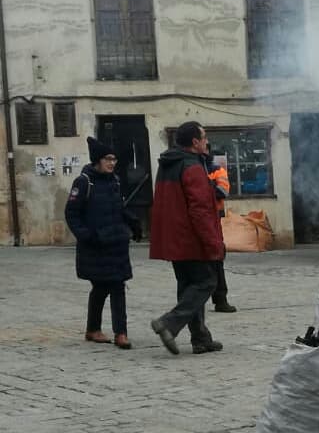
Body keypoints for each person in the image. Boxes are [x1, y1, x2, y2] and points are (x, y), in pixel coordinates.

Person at [149, 122, 225, 355]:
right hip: (190, 238)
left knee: (188, 287)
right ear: (194, 142)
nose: (206, 142)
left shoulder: (169, 163)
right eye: (204, 138)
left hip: (175, 237)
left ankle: (201, 338)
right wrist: (213, 243)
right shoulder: (191, 166)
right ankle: (169, 323)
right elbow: (200, 209)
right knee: (206, 282)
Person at [64, 137, 141, 349]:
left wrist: (132, 222)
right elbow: (72, 213)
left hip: (116, 243)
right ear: (98, 160)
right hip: (96, 245)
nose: (112, 162)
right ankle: (99, 330)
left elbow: (118, 207)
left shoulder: (114, 181)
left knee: (116, 286)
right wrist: (86, 235)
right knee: (102, 287)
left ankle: (117, 332)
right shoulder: (84, 182)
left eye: (114, 159)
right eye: (108, 159)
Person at [203, 152, 237, 312]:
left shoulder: (217, 170)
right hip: (199, 217)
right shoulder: (192, 168)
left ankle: (220, 299)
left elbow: (223, 192)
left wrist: (202, 191)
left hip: (213, 217)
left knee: (217, 258)